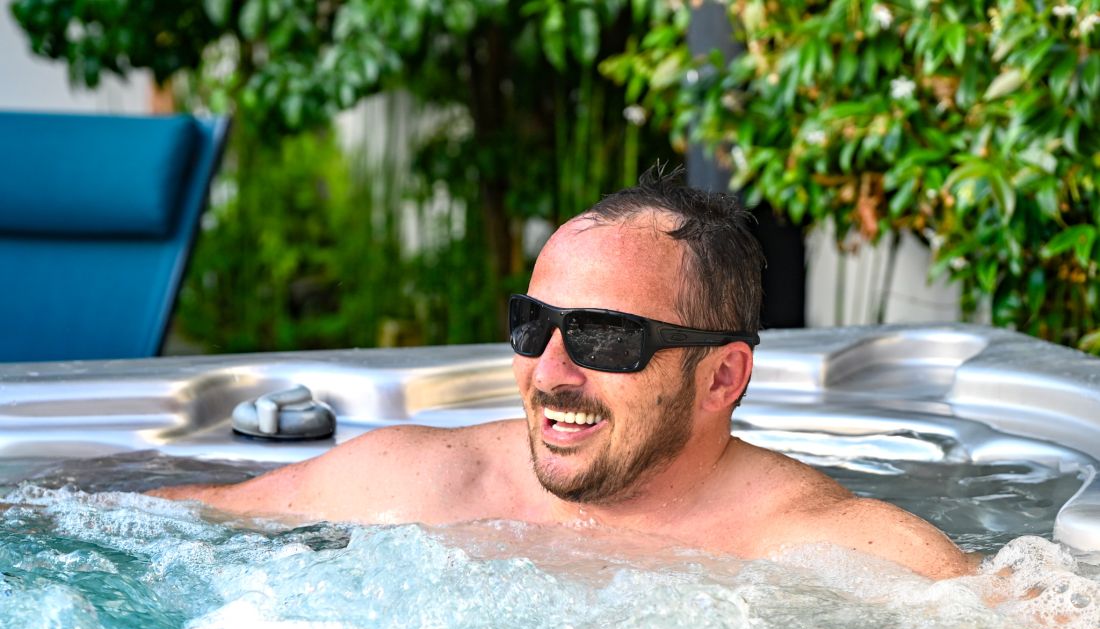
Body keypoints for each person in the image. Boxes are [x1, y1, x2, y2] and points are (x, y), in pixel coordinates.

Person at [151, 171, 972, 580]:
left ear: (724, 377)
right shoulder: (420, 485)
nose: (551, 371)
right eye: (533, 324)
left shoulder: (831, 553)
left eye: (604, 336)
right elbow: (119, 527)